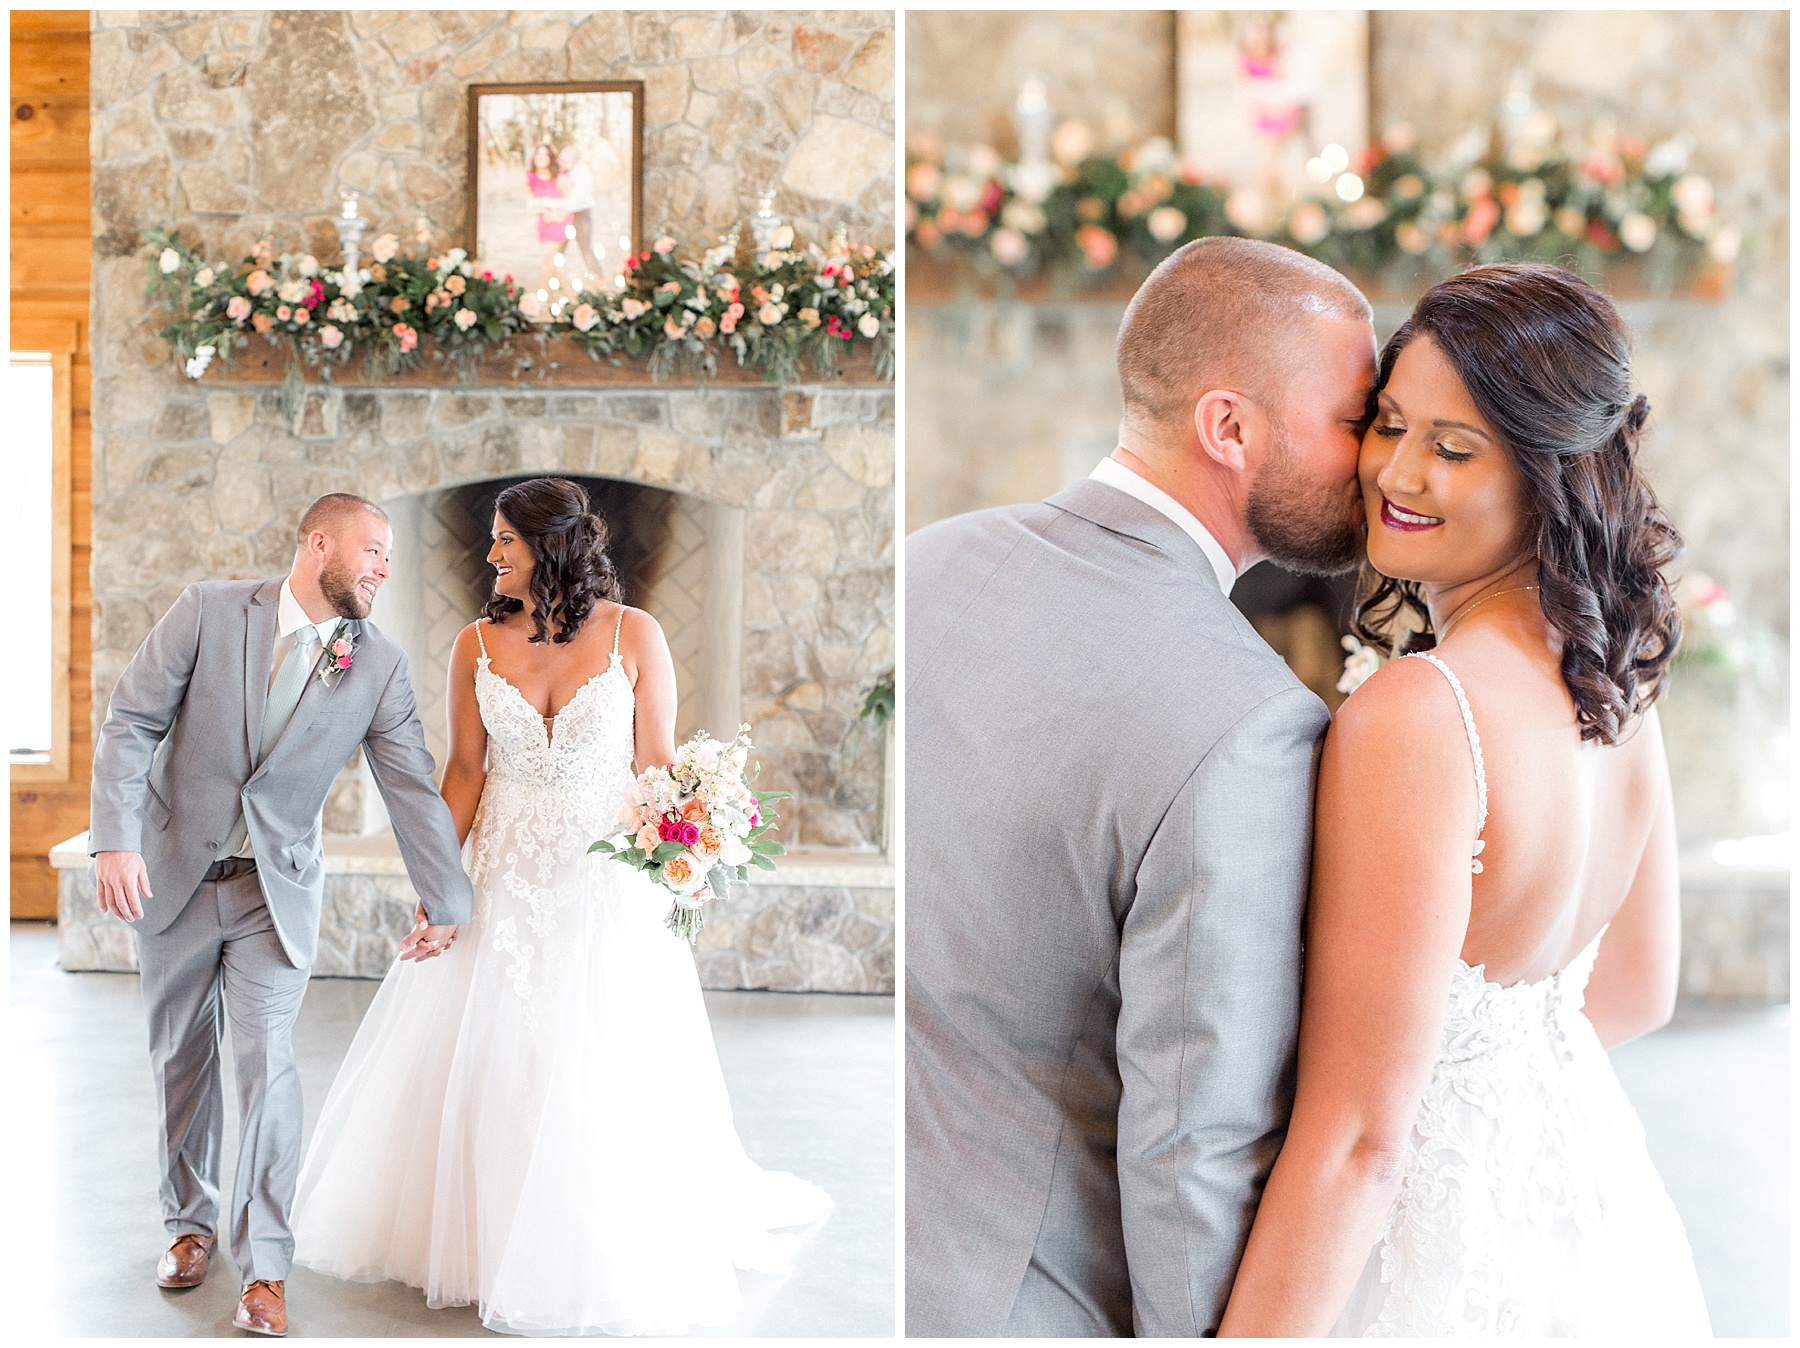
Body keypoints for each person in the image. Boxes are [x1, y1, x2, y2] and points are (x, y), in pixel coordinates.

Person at [1218, 263, 1711, 1337]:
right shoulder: (1614, 684)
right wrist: (1496, 1106)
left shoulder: (1420, 715)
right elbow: (1638, 991)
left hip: (1431, 1265)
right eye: (1389, 424)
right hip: (1587, 1232)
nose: (1397, 471)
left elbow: (1361, 1141)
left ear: (1548, 474)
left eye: (1453, 448)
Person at [905, 236, 1377, 1335]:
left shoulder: (930, 560)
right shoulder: (1248, 724)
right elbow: (1193, 1144)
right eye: (1354, 420)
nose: (1375, 462)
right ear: (1229, 427)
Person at [291, 477, 831, 1336]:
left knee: (595, 1058)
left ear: (553, 545)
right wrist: (439, 888)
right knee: (498, 1050)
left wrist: (692, 841)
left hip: (601, 881)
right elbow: (464, 772)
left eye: (506, 539)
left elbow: (657, 765)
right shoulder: (474, 644)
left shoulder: (635, 634)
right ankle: (485, 1238)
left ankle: (586, 1241)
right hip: (502, 875)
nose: (491, 553)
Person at [88, 493, 472, 1338]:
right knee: (182, 1060)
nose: (384, 568)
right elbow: (131, 722)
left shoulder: (376, 664)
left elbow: (411, 787)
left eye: (390, 557)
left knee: (267, 1062)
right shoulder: (209, 609)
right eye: (373, 550)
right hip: (174, 875)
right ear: (319, 543)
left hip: (275, 888)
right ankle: (188, 1226)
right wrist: (113, 841)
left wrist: (448, 899)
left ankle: (264, 1267)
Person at [524, 142, 571, 299]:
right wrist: (544, 212)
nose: (541, 157)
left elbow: (571, 202)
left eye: (545, 154)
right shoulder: (530, 177)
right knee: (555, 263)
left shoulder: (559, 177)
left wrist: (558, 216)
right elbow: (532, 202)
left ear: (551, 158)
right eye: (538, 153)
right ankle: (568, 295)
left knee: (548, 258)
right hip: (543, 222)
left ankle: (543, 296)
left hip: (561, 221)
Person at [557, 142, 598, 282]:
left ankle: (599, 279)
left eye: (565, 161)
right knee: (559, 249)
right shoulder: (564, 172)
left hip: (580, 214)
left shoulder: (582, 174)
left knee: (585, 249)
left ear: (575, 161)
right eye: (560, 159)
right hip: (567, 213)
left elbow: (574, 200)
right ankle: (557, 278)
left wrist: (554, 207)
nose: (561, 163)